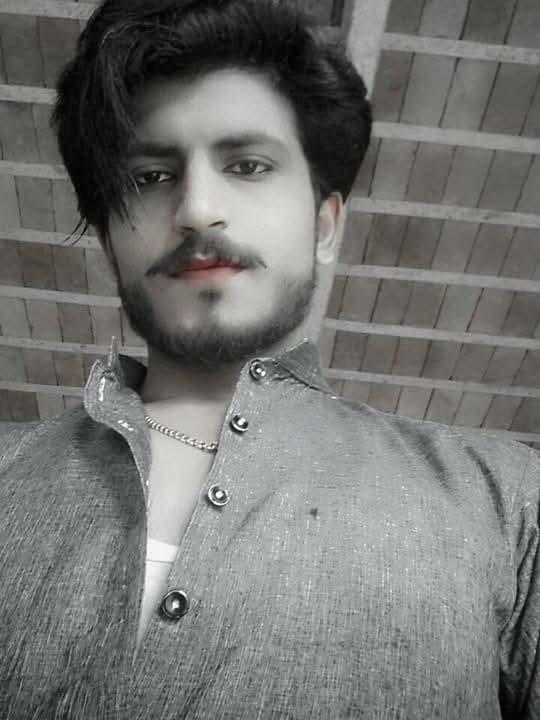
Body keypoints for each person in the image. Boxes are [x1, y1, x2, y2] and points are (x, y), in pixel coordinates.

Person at [0, 0, 538, 717]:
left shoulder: (509, 501)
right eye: (150, 176)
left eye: (248, 165)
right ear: (109, 243)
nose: (197, 209)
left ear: (325, 226)